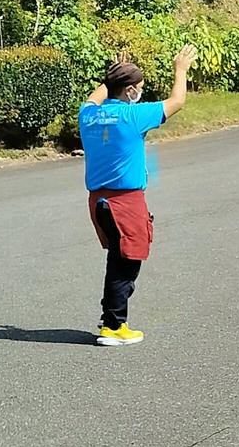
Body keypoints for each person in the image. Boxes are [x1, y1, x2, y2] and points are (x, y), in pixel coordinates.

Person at [78, 45, 195, 345]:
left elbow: (94, 98)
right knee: (126, 262)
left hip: (98, 202)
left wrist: (111, 77)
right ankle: (114, 326)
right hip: (124, 202)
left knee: (118, 260)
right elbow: (177, 101)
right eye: (139, 88)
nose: (141, 93)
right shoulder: (133, 116)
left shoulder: (88, 115)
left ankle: (112, 322)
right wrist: (180, 69)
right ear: (129, 91)